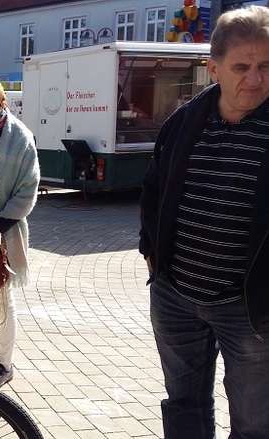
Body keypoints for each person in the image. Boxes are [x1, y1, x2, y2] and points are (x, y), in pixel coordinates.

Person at [139, 6, 269, 438]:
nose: (255, 79)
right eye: (242, 67)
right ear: (213, 68)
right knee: (184, 408)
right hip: (176, 298)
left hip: (250, 309)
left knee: (254, 422)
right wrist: (153, 261)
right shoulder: (183, 123)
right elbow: (153, 194)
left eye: (266, 66)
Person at [0, 72, 40, 388]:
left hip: (6, 233)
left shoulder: (21, 137)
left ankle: (4, 363)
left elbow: (28, 190)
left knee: (3, 300)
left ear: (1, 100)